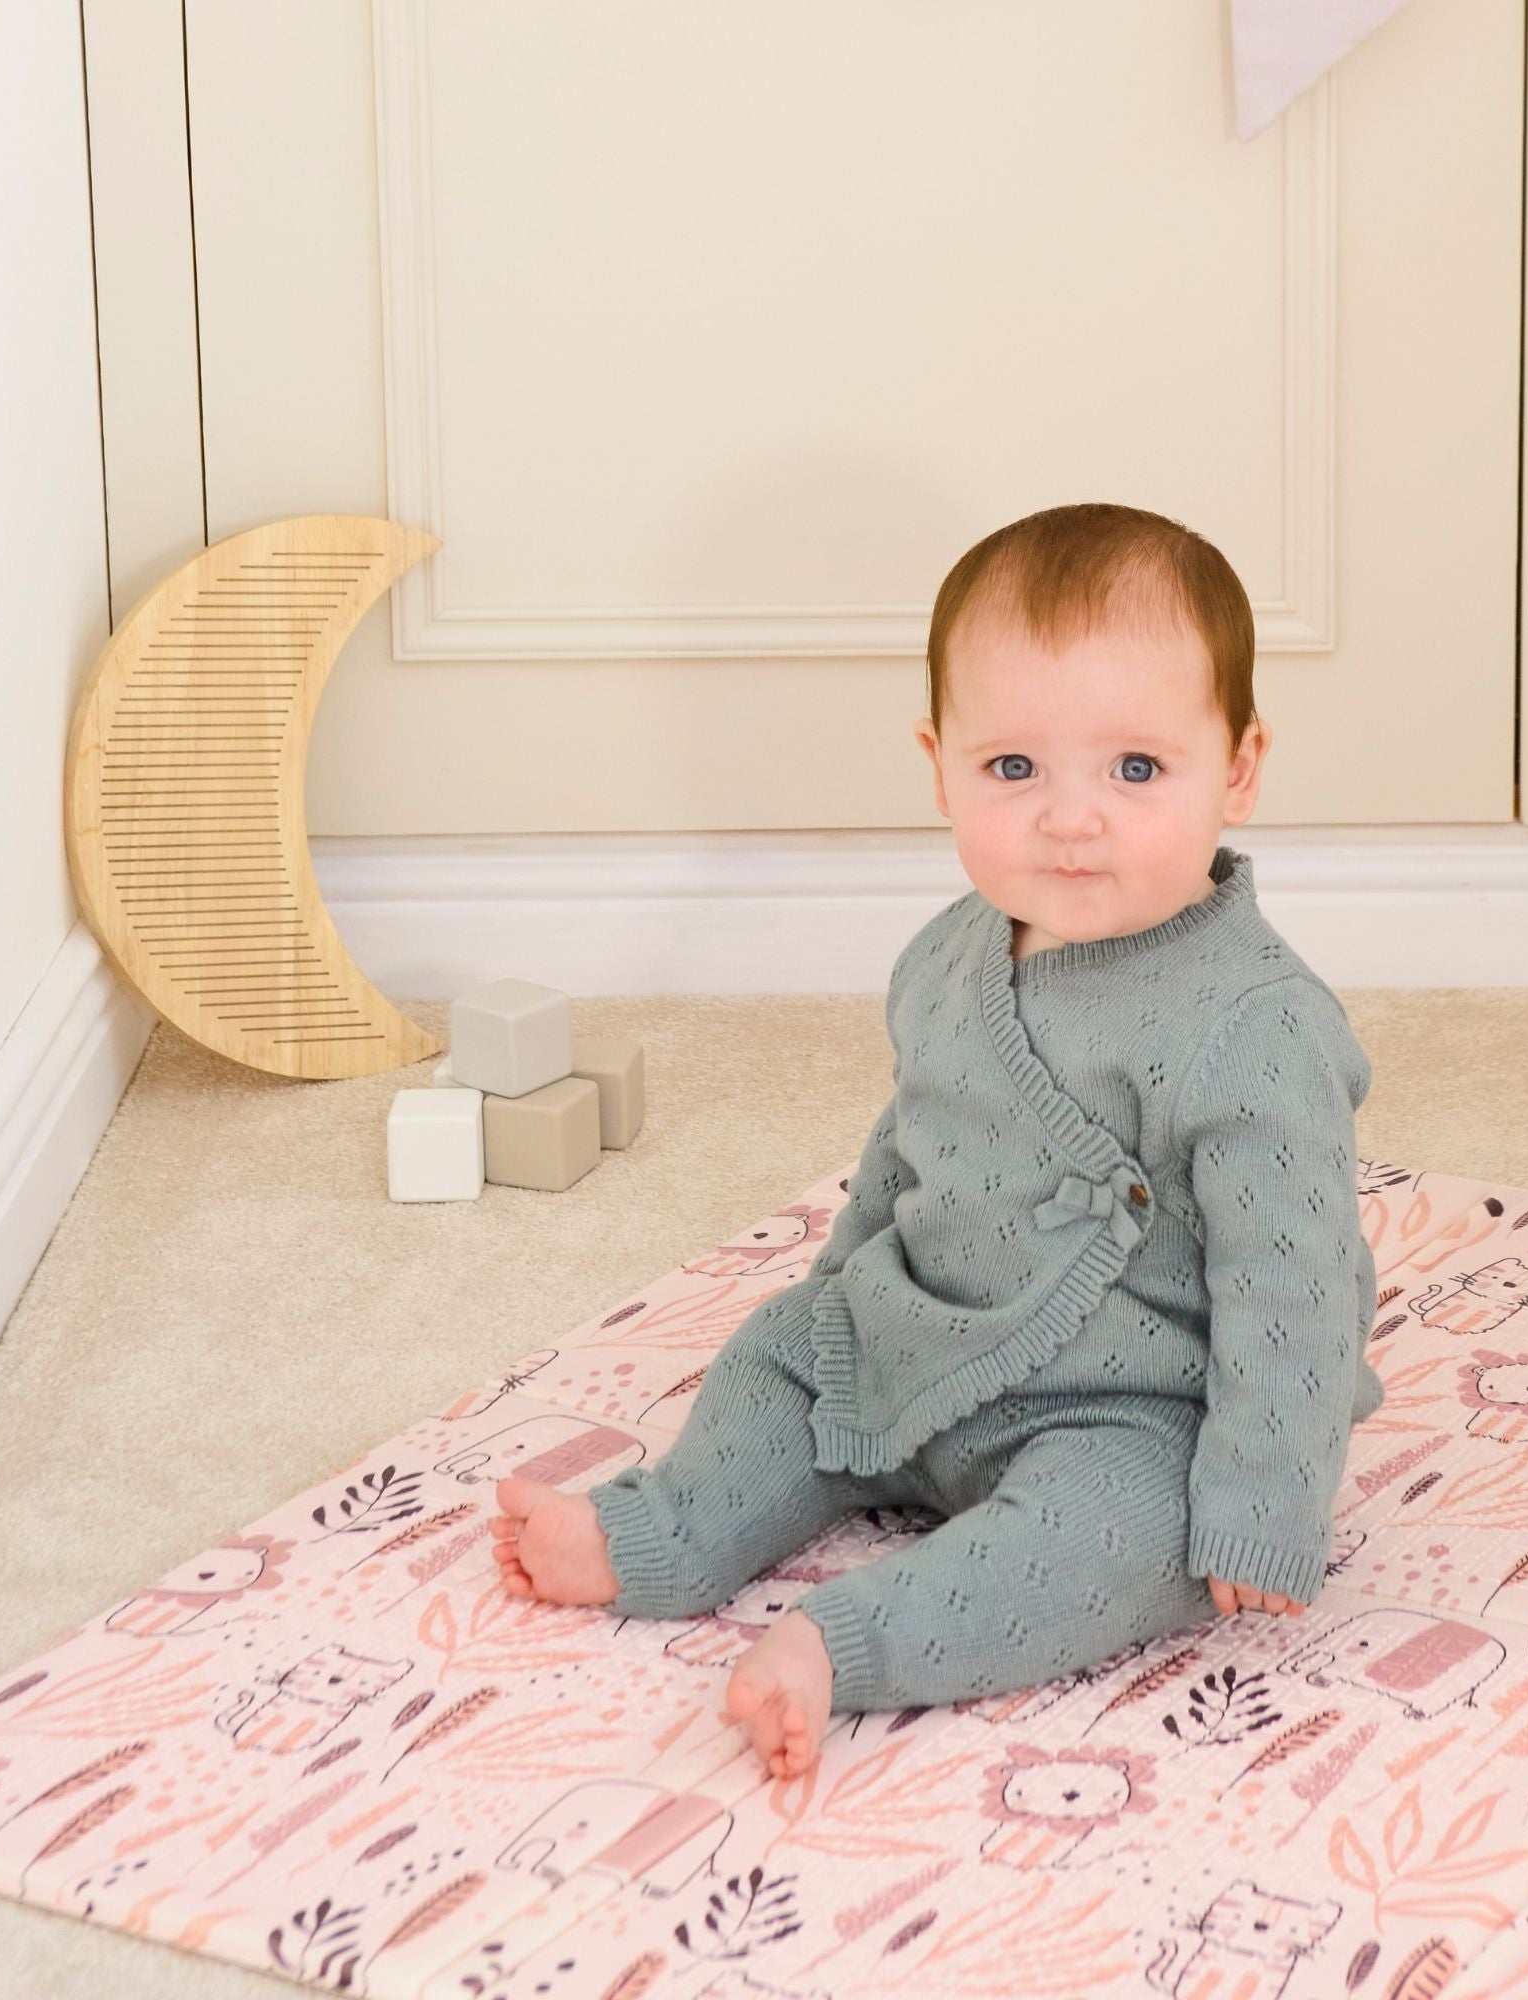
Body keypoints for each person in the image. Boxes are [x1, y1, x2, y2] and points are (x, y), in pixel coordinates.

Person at [485, 501, 1382, 1781]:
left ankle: (844, 1645)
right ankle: (666, 1530)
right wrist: (838, 1300)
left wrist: (1264, 1504)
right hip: (920, 1342)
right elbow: (907, 1150)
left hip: (1128, 1401)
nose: (1070, 819)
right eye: (1013, 770)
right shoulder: (948, 954)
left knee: (1121, 1537)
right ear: (939, 762)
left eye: (1135, 769)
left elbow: (1291, 1289)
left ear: (1237, 766)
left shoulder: (1255, 1028)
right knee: (778, 1357)